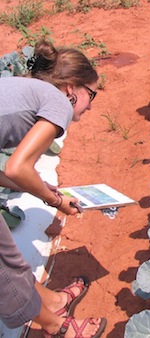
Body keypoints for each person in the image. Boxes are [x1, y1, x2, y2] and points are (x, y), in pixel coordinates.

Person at [0, 39, 106, 338]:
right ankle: (55, 327)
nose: (91, 105)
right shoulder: (57, 102)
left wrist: (42, 188)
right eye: (91, 94)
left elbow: (10, 172)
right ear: (73, 88)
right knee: (2, 269)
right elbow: (17, 168)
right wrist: (54, 200)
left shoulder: (28, 90)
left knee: (7, 256)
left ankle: (54, 302)